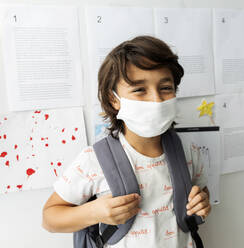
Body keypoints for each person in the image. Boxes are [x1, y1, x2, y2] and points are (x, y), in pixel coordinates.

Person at [42, 35, 212, 248]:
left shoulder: (189, 151)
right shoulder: (93, 160)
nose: (156, 100)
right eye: (140, 90)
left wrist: (202, 201)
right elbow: (50, 218)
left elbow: (201, 190)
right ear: (114, 99)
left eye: (165, 88)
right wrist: (94, 212)